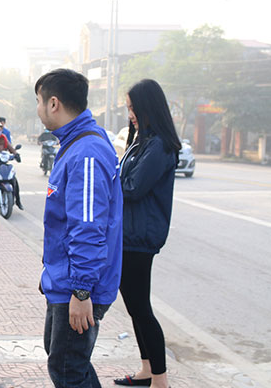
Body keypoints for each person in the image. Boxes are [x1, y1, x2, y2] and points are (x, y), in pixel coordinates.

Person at [35, 68, 123, 388]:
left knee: (68, 368)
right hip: (66, 279)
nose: (38, 109)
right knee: (67, 361)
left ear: (54, 103)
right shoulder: (75, 144)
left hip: (80, 285)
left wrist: (81, 290)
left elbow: (87, 227)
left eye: (39, 101)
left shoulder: (85, 152)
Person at [114, 79, 180, 388]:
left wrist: (106, 183)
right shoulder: (143, 139)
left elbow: (133, 188)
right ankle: (146, 370)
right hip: (129, 235)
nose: (130, 114)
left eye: (132, 108)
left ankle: (161, 380)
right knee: (135, 307)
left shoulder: (158, 145)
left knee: (141, 308)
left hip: (140, 238)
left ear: (147, 106)